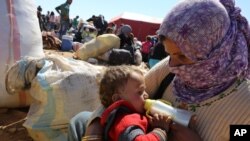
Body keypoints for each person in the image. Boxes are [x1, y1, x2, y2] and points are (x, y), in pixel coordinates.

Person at [68, 0, 250, 141]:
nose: (173, 65)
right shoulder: (169, 69)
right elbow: (122, 93)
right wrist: (94, 131)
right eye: (169, 54)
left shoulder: (245, 105)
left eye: (183, 56)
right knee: (82, 120)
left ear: (217, 50)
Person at [82, 65, 172, 141]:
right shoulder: (125, 121)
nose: (146, 95)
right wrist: (160, 129)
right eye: (140, 92)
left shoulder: (130, 114)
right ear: (117, 99)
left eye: (144, 90)